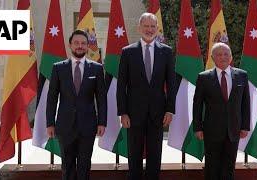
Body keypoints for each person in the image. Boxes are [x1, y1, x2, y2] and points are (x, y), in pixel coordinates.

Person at [116, 12, 176, 180]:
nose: (149, 30)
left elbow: (171, 84)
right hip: (133, 114)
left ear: (157, 29)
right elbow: (121, 85)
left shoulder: (166, 52)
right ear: (139, 28)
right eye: (146, 26)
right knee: (134, 155)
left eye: (152, 26)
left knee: (155, 155)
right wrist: (123, 112)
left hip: (158, 113)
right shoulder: (128, 52)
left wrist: (170, 110)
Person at [46, 30, 107, 180]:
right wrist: (50, 123)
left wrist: (102, 122)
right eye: (76, 43)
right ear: (70, 45)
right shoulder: (58, 68)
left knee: (84, 166)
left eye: (83, 43)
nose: (80, 46)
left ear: (87, 46)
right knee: (67, 166)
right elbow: (52, 98)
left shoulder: (97, 69)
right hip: (65, 125)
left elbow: (101, 98)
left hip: (88, 126)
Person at [193, 42, 250, 180]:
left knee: (229, 167)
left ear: (231, 57)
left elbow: (245, 103)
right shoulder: (204, 77)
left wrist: (245, 126)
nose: (223, 57)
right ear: (213, 58)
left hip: (233, 130)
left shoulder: (242, 75)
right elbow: (197, 105)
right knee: (212, 167)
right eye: (219, 54)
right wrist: (197, 127)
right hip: (212, 130)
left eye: (226, 54)